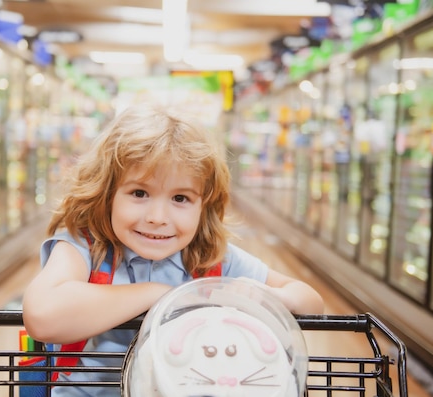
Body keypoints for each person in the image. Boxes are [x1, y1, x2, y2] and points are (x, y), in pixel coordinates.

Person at [22, 104, 324, 396]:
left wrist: (269, 296)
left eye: (180, 198)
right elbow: (42, 315)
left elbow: (310, 302)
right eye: (139, 193)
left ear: (203, 207)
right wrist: (160, 295)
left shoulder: (211, 259)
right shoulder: (85, 247)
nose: (158, 217)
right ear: (107, 194)